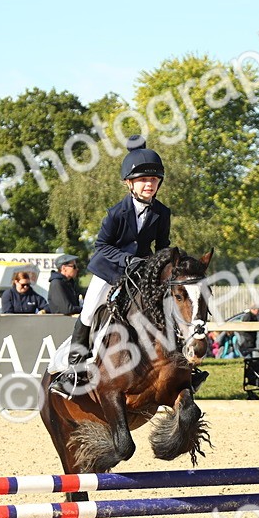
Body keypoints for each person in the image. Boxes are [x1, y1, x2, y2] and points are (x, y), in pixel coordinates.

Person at [50, 138, 171, 398]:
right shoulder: (117, 213)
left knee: (170, 306)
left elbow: (163, 246)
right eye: (142, 180)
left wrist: (162, 265)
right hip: (110, 270)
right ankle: (74, 369)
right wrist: (126, 260)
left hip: (141, 273)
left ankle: (181, 368)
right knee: (90, 308)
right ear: (130, 183)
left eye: (153, 180)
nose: (149, 184)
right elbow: (102, 246)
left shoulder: (162, 213)